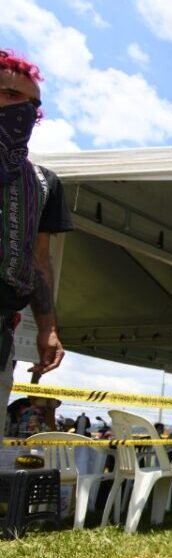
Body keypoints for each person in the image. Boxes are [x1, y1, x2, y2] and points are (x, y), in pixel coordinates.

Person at [0, 50, 71, 430]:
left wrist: (48, 326)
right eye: (11, 95)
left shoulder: (44, 183)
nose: (25, 111)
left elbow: (39, 259)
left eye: (33, 104)